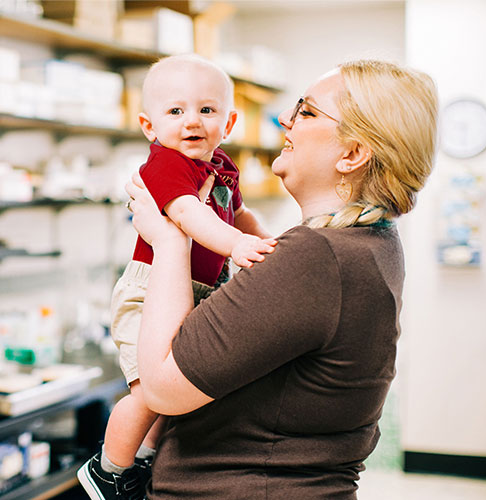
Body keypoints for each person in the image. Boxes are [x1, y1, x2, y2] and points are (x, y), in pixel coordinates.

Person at [126, 59, 438, 499]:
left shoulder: (316, 256)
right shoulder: (373, 240)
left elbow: (160, 388)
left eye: (307, 112)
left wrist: (168, 241)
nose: (285, 121)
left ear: (351, 154)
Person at [78, 54, 276, 500]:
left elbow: (240, 214)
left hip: (197, 294)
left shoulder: (222, 165)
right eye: (176, 111)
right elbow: (186, 215)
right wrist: (237, 247)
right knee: (150, 392)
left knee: (176, 394)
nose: (192, 121)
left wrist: (269, 242)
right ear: (150, 126)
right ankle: (107, 470)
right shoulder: (167, 164)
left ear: (229, 122)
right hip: (149, 292)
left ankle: (142, 461)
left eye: (207, 110)